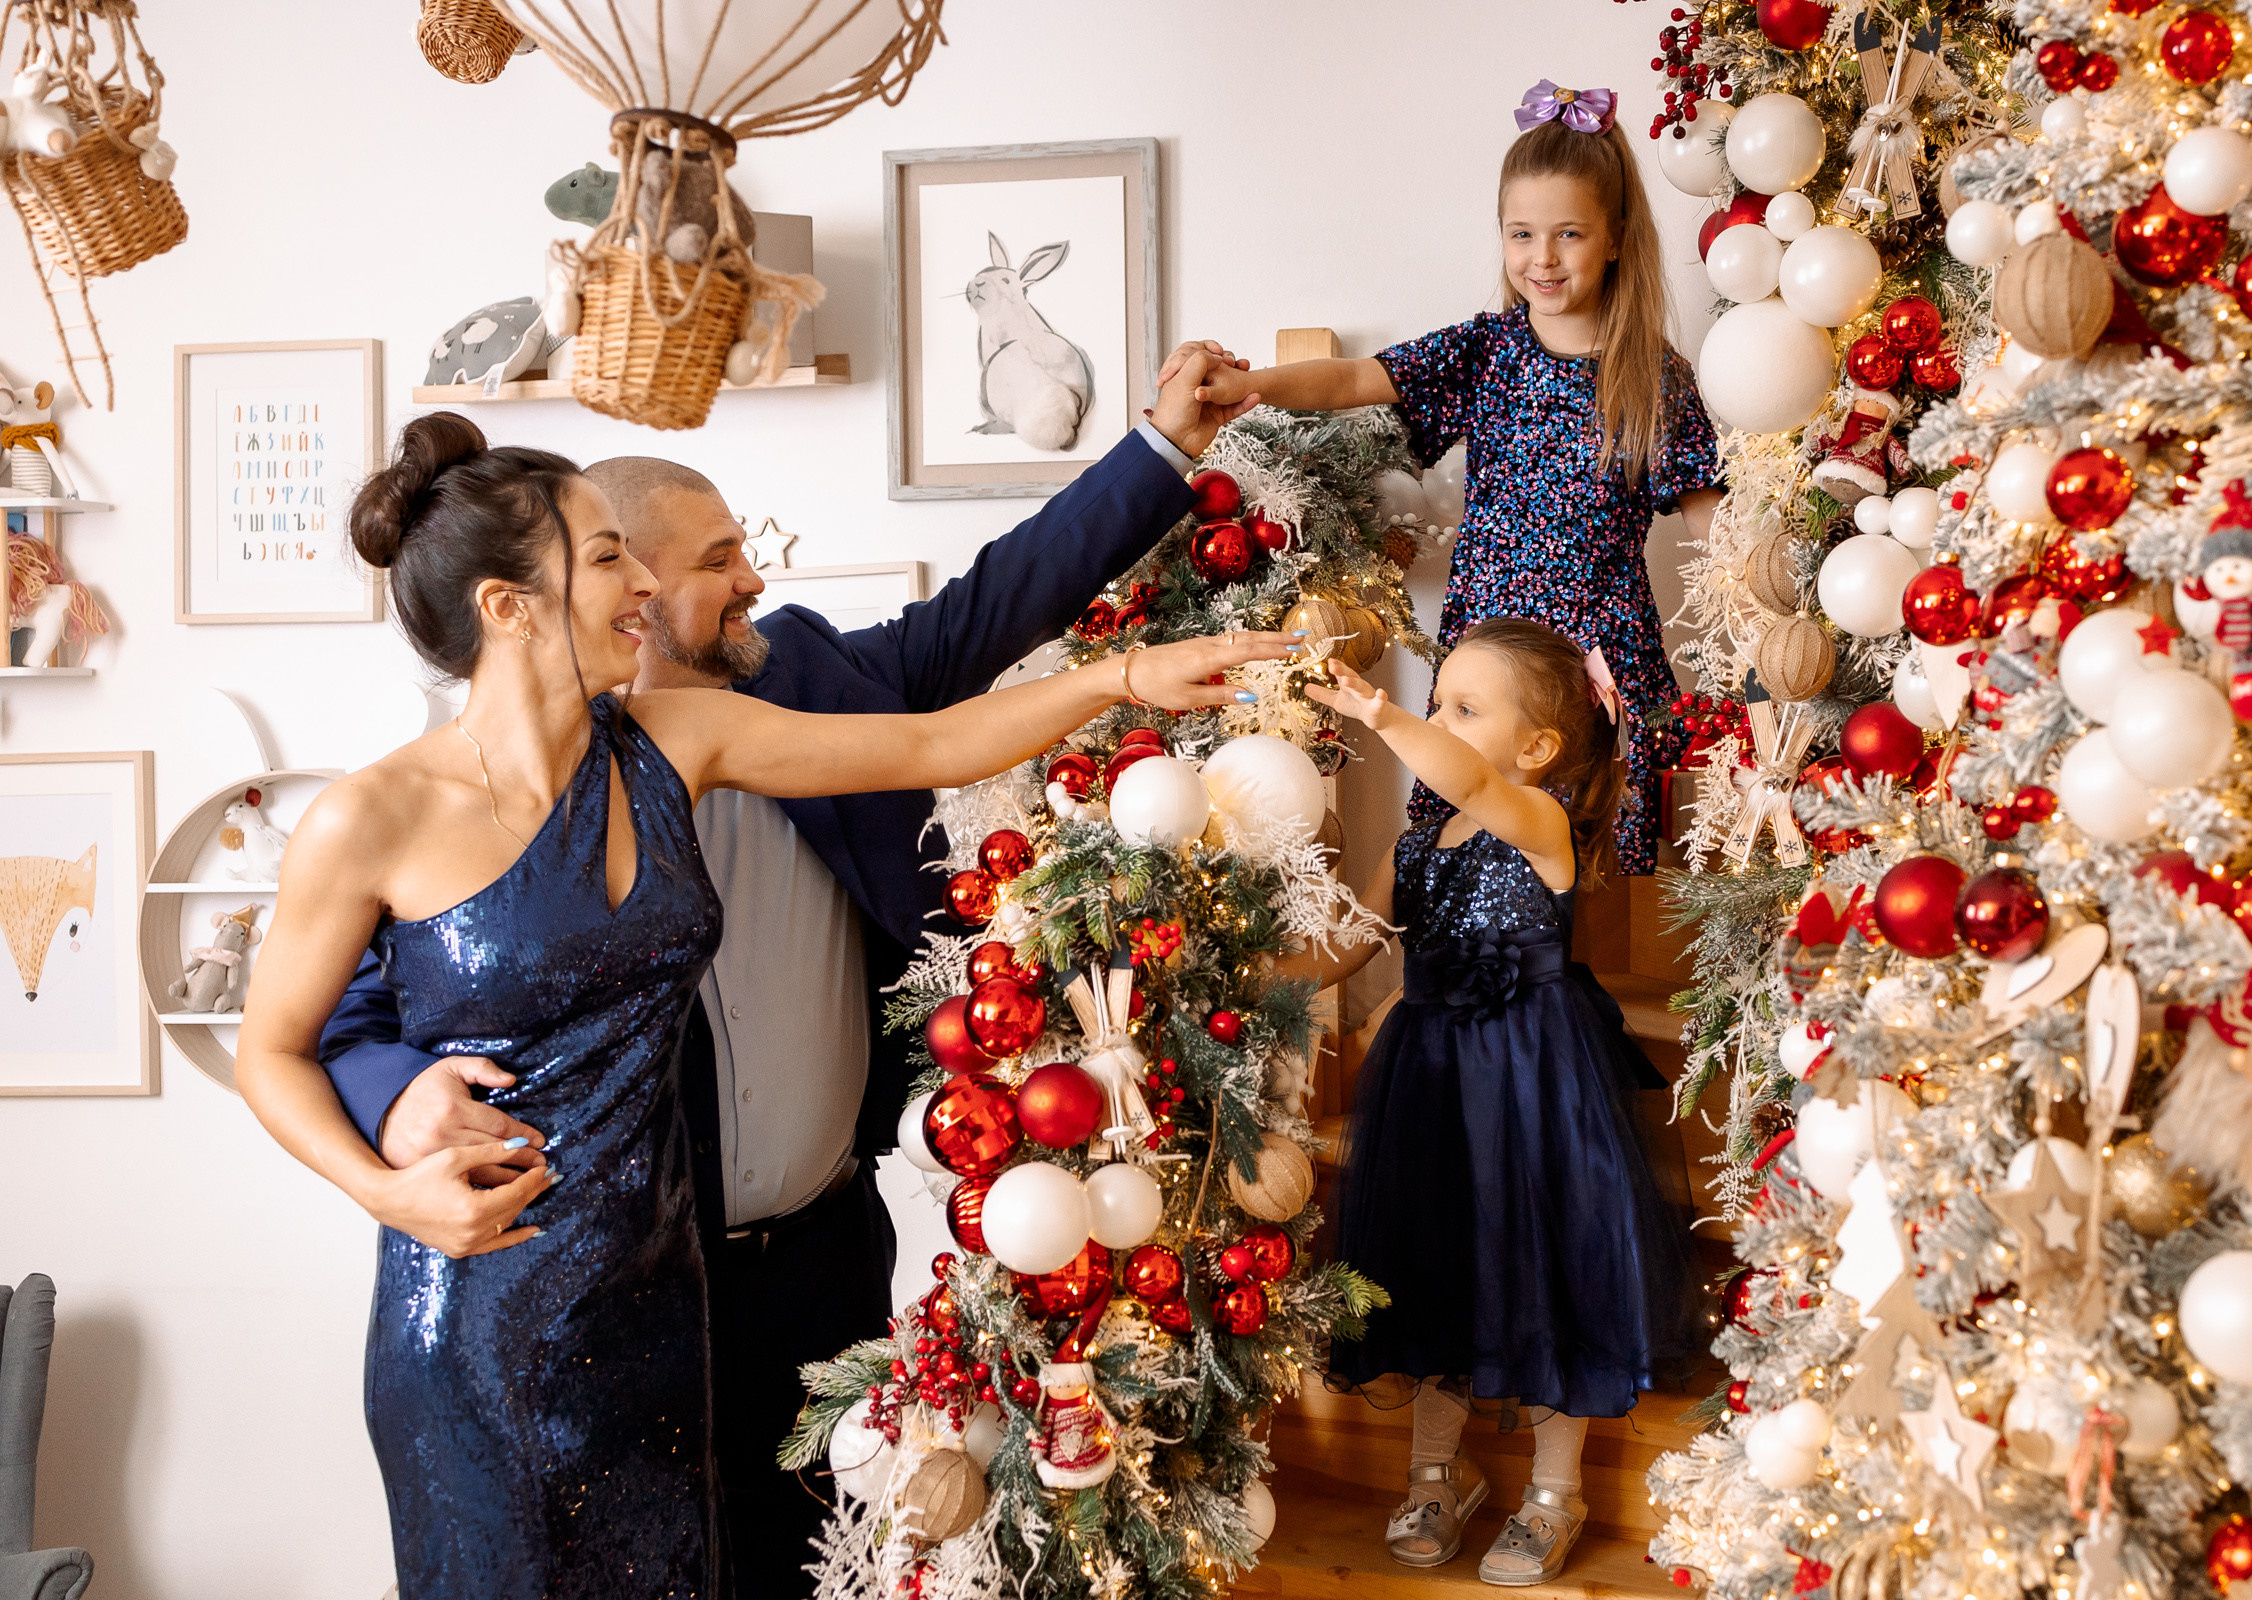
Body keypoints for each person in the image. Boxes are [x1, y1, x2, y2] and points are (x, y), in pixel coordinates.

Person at [232, 409, 1293, 1600]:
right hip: (486, 1322)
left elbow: (932, 741)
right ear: (506, 605)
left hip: (662, 1311)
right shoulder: (368, 817)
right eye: (606, 555)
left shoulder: (674, 737)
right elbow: (273, 1046)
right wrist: (388, 1189)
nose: (639, 581)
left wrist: (1123, 677)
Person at [1179, 81, 1724, 872]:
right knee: (1464, 839)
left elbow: (1717, 540)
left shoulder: (1654, 378)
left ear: (1613, 237)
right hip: (1488, 646)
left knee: (1583, 858)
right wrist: (1245, 387)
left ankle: (1561, 994)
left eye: (1568, 233)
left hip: (1597, 651)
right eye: (1521, 233)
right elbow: (1350, 381)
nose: (1542, 257)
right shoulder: (1488, 349)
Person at [1282, 620, 1690, 1587]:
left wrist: (1380, 715)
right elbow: (1347, 943)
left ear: (1538, 748)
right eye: (1438, 702)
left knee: (1544, 1271)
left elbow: (1471, 783)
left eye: (1465, 709)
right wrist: (1254, 974)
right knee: (1434, 1268)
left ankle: (1557, 1488)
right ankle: (1436, 1472)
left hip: (1536, 1084)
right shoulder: (1417, 847)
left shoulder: (1541, 823)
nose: (1439, 721)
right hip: (1431, 1087)